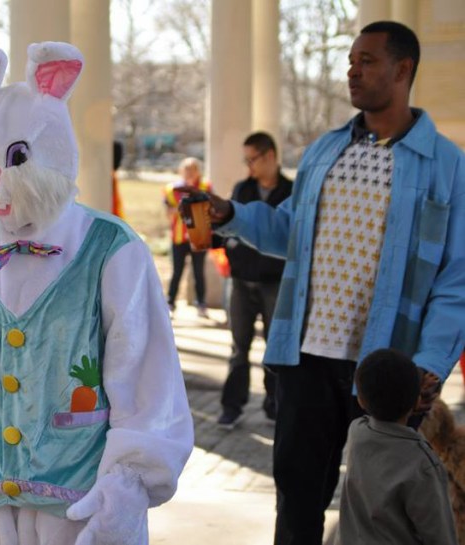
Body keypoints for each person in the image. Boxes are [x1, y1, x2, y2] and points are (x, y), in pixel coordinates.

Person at [0, 42, 193, 545]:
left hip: (77, 498)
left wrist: (130, 481)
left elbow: (145, 372)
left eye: (13, 159)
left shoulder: (111, 249)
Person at [200, 21, 465, 544]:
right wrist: (231, 214)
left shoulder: (447, 166)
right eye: (351, 60)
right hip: (307, 357)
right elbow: (288, 231)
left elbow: (456, 279)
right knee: (297, 500)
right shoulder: (326, 151)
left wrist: (431, 365)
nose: (352, 70)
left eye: (367, 60)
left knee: (381, 509)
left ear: (403, 69)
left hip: (390, 371)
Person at [337, 348, 457, 544]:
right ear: (417, 399)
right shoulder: (422, 464)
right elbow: (439, 534)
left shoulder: (358, 432)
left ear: (360, 399)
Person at [217, 132, 293, 429]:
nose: (249, 166)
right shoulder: (242, 189)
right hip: (241, 282)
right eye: (245, 160)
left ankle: (275, 405)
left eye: (252, 159)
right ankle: (231, 407)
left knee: (276, 348)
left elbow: (289, 235)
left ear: (270, 156)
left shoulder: (292, 192)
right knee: (238, 348)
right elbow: (231, 230)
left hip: (276, 284)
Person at [164, 157, 210, 317]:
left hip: (199, 235)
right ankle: (170, 302)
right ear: (181, 171)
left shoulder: (205, 187)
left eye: (193, 168)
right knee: (177, 271)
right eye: (187, 169)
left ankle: (201, 303)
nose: (190, 172)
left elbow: (211, 210)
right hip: (179, 236)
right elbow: (168, 213)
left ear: (198, 171)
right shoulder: (172, 189)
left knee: (199, 271)